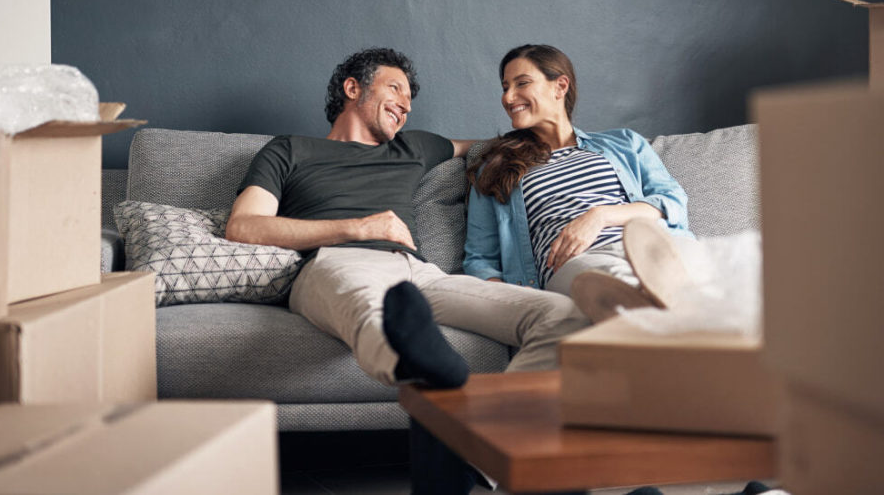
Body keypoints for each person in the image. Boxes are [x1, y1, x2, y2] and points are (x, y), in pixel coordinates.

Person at [226, 47, 590, 390]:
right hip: (336, 262)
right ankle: (413, 359)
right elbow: (243, 226)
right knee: (373, 312)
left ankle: (501, 424)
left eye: (409, 100)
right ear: (353, 88)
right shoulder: (289, 149)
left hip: (421, 273)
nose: (405, 106)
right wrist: (358, 227)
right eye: (395, 89)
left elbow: (491, 146)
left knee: (561, 315)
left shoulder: (413, 146)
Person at [463, 44, 695, 322]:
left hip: (647, 247)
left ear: (560, 86)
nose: (509, 97)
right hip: (581, 265)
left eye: (522, 83)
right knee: (620, 286)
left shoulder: (624, 143)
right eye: (505, 87)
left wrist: (600, 216)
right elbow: (480, 259)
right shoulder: (497, 168)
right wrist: (518, 305)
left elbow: (672, 201)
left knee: (699, 276)